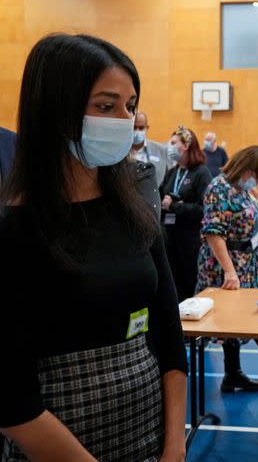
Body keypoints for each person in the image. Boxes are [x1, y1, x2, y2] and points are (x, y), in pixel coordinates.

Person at [0, 33, 187, 461]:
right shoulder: (14, 234)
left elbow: (169, 342)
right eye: (106, 106)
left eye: (130, 105)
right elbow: (12, 402)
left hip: (149, 436)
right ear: (57, 111)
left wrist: (174, 448)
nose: (125, 119)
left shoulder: (135, 212)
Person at [196, 145, 258, 391]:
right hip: (227, 264)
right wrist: (230, 271)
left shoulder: (241, 189)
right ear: (244, 167)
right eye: (255, 173)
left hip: (247, 261)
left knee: (245, 320)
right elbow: (213, 234)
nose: (256, 179)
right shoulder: (219, 188)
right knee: (240, 319)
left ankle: (233, 374)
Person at [161, 125, 212, 302]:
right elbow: (162, 198)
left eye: (173, 142)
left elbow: (204, 208)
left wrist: (176, 207)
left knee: (189, 282)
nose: (169, 146)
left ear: (186, 146)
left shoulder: (201, 173)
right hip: (170, 236)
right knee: (172, 284)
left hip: (190, 238)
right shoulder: (172, 172)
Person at [131, 111, 171, 186]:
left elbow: (169, 178)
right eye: (134, 127)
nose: (137, 131)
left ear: (147, 128)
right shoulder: (121, 150)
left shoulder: (161, 150)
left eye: (141, 128)